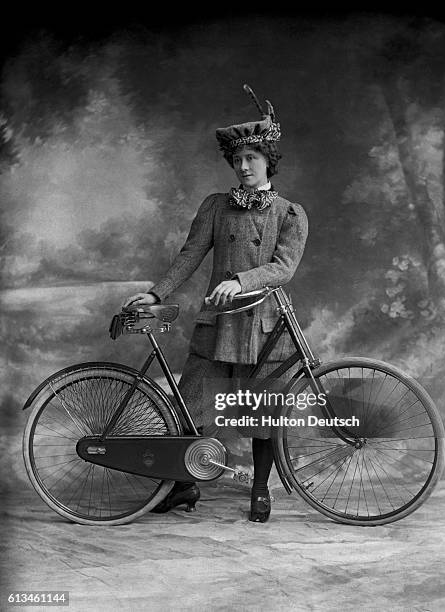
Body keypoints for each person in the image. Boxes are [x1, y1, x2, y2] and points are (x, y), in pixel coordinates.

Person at [123, 85, 308, 522]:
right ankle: (182, 487)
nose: (243, 167)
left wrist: (241, 280)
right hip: (216, 325)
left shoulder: (290, 213)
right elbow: (190, 255)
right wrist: (157, 293)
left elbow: (283, 268)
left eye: (252, 159)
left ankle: (260, 490)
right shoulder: (215, 207)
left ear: (268, 161)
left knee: (264, 410)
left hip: (262, 325)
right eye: (237, 159)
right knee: (191, 408)